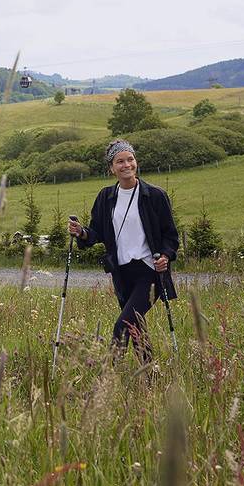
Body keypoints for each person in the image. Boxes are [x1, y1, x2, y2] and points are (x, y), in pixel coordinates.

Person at [69, 139, 179, 362]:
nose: (126, 165)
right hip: (121, 272)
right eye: (120, 161)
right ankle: (150, 375)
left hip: (149, 271)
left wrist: (166, 256)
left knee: (123, 323)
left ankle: (108, 374)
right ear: (112, 168)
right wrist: (81, 232)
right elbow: (96, 232)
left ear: (136, 162)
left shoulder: (154, 196)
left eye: (130, 159)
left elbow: (170, 235)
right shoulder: (106, 197)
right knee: (136, 326)